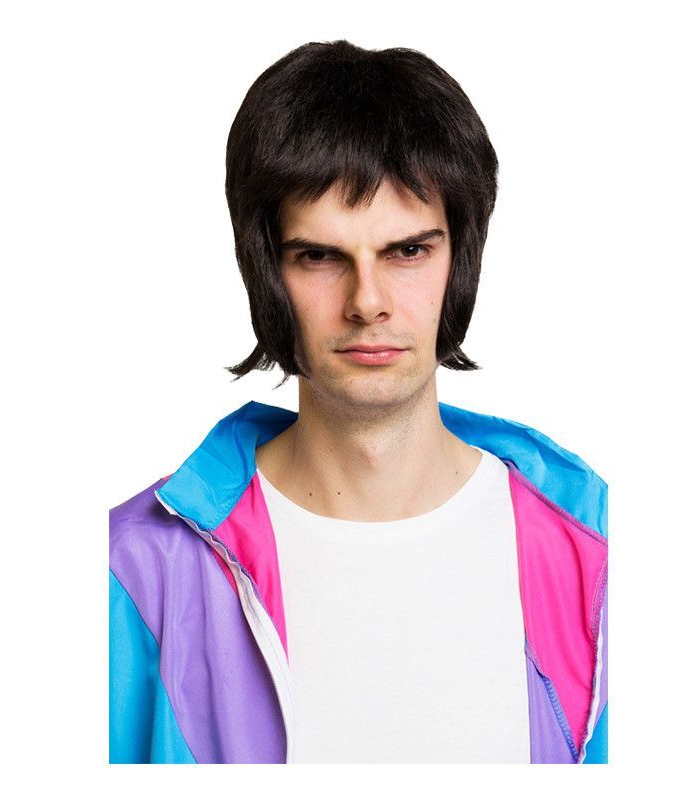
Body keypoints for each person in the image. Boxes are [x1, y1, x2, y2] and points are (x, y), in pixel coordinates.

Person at [109, 39, 608, 764]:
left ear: (460, 259)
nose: (367, 302)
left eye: (407, 251)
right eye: (319, 256)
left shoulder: (598, 551)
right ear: (265, 271)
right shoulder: (134, 569)